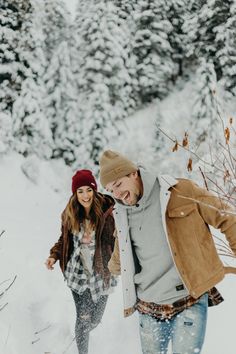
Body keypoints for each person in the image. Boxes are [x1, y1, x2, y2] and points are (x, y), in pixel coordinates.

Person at [99, 150, 236, 354]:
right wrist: (110, 267)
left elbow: (226, 217)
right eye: (111, 190)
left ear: (134, 174)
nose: (117, 194)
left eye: (118, 184)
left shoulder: (180, 190)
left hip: (189, 299)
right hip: (148, 307)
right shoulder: (121, 214)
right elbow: (121, 256)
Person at [45, 169, 117, 354]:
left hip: (102, 271)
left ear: (94, 189)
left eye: (88, 190)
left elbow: (120, 239)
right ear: (75, 193)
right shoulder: (70, 214)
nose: (85, 195)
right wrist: (54, 255)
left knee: (95, 319)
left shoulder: (108, 212)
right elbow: (64, 240)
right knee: (84, 317)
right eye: (80, 191)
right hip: (77, 272)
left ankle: (80, 333)